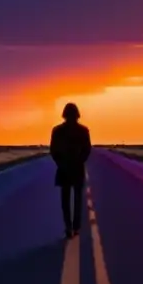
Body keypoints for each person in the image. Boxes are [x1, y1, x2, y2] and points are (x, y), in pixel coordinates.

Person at [49, 102, 92, 239]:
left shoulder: (57, 131)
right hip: (75, 168)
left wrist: (61, 163)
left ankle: (69, 227)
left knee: (66, 200)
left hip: (65, 168)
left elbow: (53, 150)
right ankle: (75, 227)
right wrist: (79, 161)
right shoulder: (83, 131)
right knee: (77, 199)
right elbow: (87, 150)